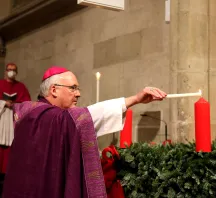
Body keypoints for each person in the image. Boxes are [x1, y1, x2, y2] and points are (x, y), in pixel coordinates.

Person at [2, 66, 167, 198]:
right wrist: (135, 99)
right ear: (54, 90)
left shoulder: (29, 113)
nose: (78, 94)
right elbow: (86, 117)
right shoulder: (51, 118)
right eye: (73, 88)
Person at [0, 63, 31, 174]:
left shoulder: (21, 87)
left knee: (12, 145)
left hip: (13, 119)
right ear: (5, 71)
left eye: (13, 70)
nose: (11, 72)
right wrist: (4, 103)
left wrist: (15, 104)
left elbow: (27, 103)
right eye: (9, 70)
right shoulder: (0, 84)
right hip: (2, 118)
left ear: (16, 72)